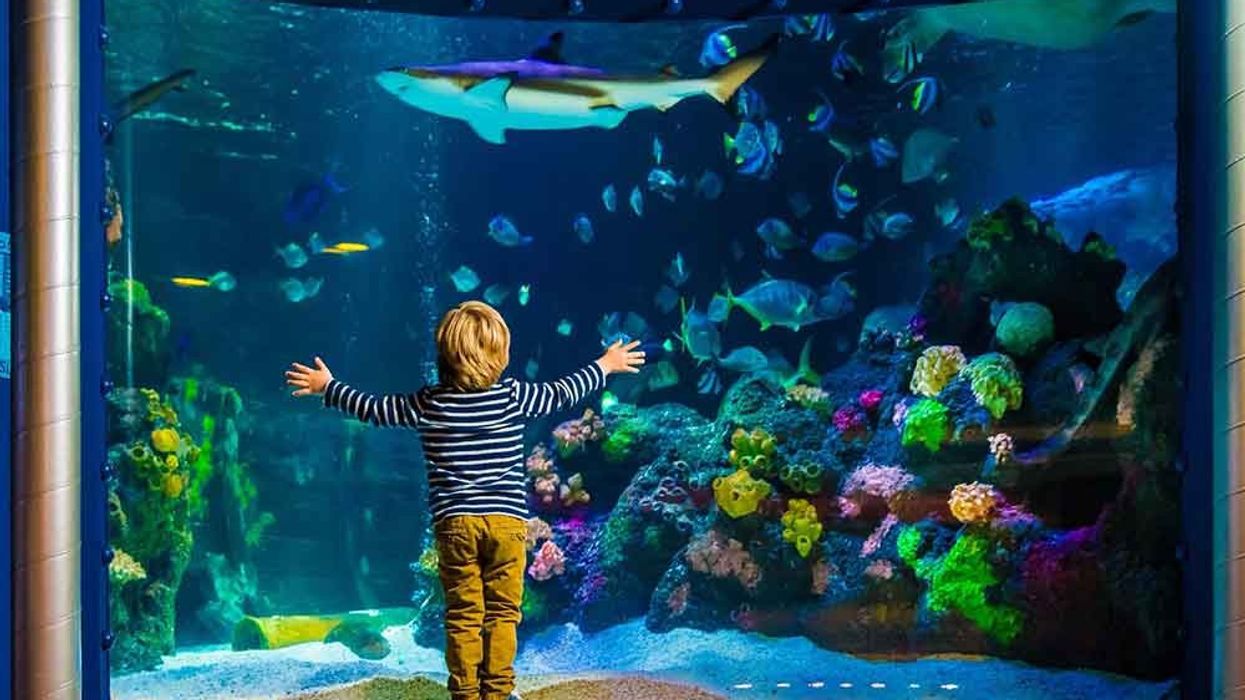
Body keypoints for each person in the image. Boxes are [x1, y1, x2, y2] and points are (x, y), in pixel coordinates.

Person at [284, 300, 644, 700]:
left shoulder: (429, 402)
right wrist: (606, 364)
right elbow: (563, 392)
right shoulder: (514, 396)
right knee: (503, 612)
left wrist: (329, 387)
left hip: (455, 526)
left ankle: (466, 694)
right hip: (506, 525)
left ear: (444, 355)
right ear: (501, 355)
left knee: (463, 614)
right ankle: (498, 691)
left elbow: (376, 410)